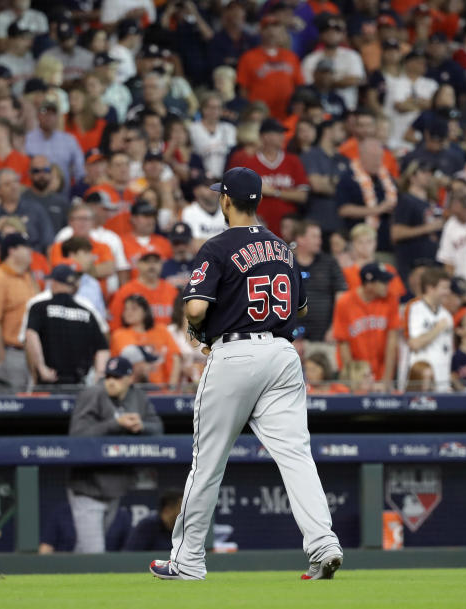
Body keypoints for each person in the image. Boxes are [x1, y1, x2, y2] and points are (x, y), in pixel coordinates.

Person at [149, 167, 342, 581]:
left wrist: (200, 329)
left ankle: (187, 562)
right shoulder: (283, 247)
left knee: (208, 462)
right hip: (282, 353)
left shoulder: (217, 247)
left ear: (226, 200)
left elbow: (196, 308)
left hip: (235, 354)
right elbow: (301, 309)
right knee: (295, 456)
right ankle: (323, 543)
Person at [69, 355, 163, 554]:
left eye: (117, 377)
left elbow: (158, 428)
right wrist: (116, 424)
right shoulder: (92, 394)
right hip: (88, 487)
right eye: (108, 376)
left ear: (129, 378)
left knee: (86, 550)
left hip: (114, 489)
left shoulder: (138, 397)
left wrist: (141, 426)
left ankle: (64, 582)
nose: (111, 381)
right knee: (93, 553)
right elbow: (77, 435)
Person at [25, 265, 109, 385]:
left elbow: (31, 335)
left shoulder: (39, 307)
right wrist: (99, 375)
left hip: (50, 378)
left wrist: (41, 367)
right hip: (79, 381)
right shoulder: (87, 312)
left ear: (54, 283)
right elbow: (102, 348)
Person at [234, 118, 309, 239]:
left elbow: (303, 196)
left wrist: (274, 192)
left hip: (289, 232)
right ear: (266, 137)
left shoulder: (293, 161)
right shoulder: (249, 163)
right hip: (260, 230)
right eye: (278, 133)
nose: (282, 137)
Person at [0, 233, 39, 389]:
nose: (30, 251)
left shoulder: (28, 277)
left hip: (30, 353)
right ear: (12, 251)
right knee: (9, 404)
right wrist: (1, 358)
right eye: (26, 247)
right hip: (11, 352)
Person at [331, 262, 401, 385]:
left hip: (381, 373)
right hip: (357, 376)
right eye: (383, 282)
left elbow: (392, 343)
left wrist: (386, 381)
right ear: (368, 284)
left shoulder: (390, 300)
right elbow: (343, 344)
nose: (387, 286)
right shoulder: (345, 303)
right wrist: (353, 381)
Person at [294, 220, 347, 344]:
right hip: (291, 340)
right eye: (314, 237)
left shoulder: (330, 263)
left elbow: (342, 297)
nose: (319, 241)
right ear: (300, 239)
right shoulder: (286, 263)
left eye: (319, 237)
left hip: (324, 337)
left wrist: (334, 328)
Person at [391, 160, 443, 282]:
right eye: (424, 172)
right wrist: (427, 228)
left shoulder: (432, 202)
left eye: (430, 173)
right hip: (413, 263)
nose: (428, 175)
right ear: (412, 176)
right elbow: (396, 233)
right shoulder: (406, 200)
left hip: (433, 261)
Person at [405, 268, 453, 392]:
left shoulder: (447, 315)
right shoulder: (415, 309)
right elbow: (415, 344)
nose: (447, 292)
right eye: (444, 288)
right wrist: (437, 329)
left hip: (442, 381)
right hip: (421, 381)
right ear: (430, 288)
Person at [108, 252, 178, 331]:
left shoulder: (171, 290)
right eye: (147, 262)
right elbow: (115, 325)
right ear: (138, 264)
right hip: (137, 339)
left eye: (156, 262)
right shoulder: (126, 291)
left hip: (167, 338)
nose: (152, 266)